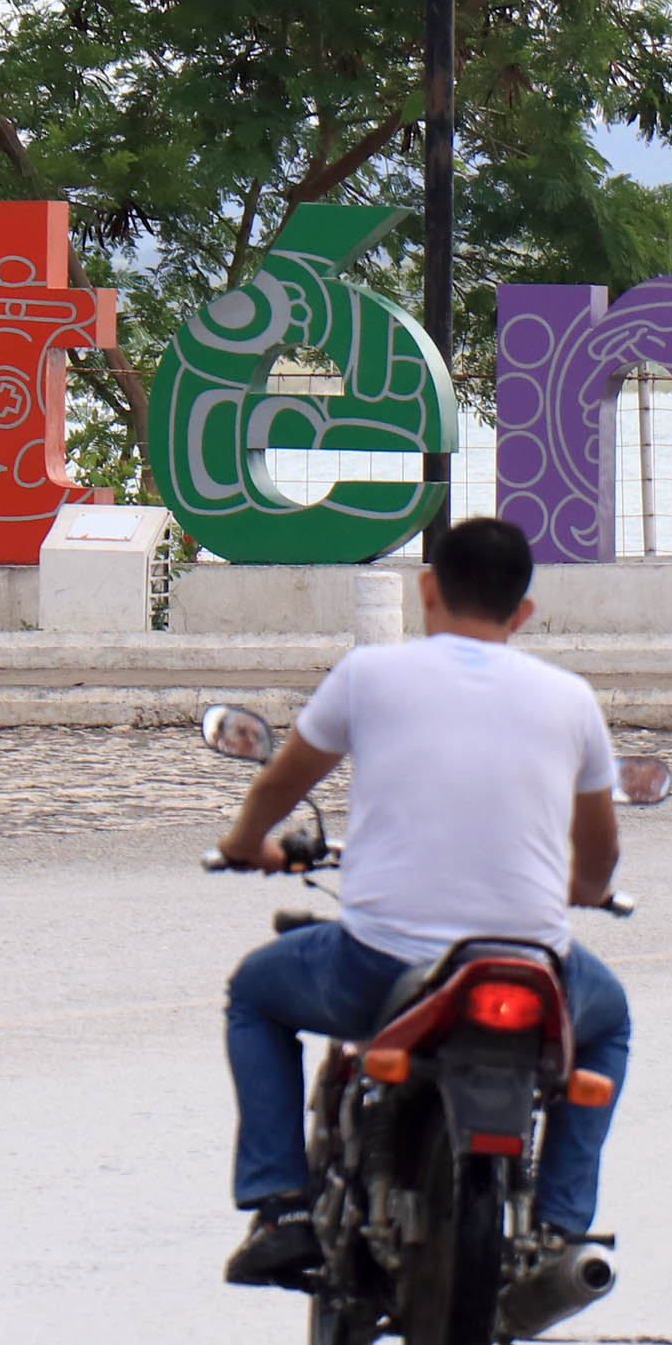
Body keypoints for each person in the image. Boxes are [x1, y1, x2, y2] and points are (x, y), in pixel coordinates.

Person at [211, 515, 632, 1286]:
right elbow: (600, 853)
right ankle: (563, 1228)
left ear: (427, 587)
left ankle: (283, 1205)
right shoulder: (571, 700)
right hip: (532, 965)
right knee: (608, 1027)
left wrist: (246, 844)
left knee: (254, 993)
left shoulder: (370, 674)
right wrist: (584, 893)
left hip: (378, 967)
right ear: (523, 612)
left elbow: (281, 785)